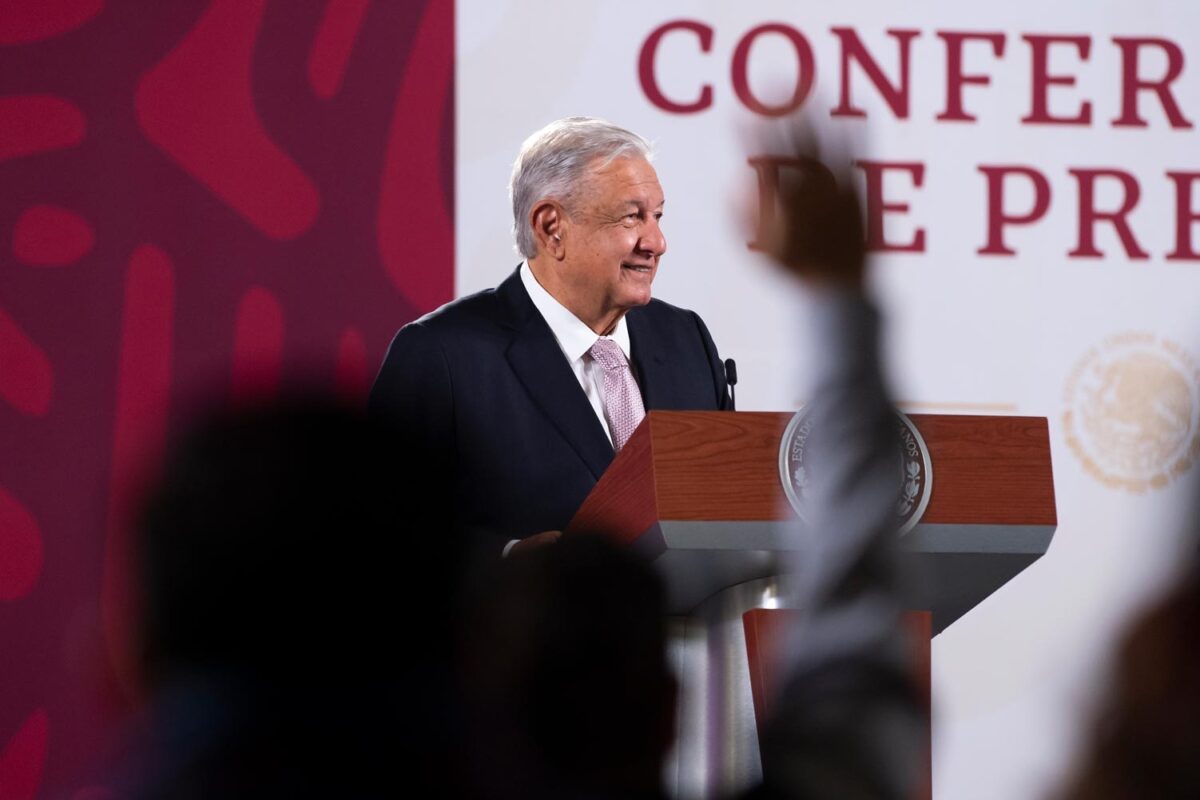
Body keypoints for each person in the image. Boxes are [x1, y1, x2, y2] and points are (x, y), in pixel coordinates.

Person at [369, 117, 731, 555]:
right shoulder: (441, 356)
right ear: (550, 227)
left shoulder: (687, 339)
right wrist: (507, 558)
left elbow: (724, 509)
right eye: (632, 217)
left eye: (656, 216)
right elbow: (374, 527)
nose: (656, 242)